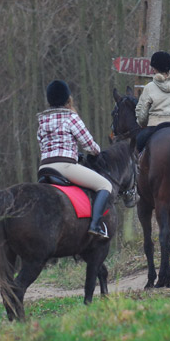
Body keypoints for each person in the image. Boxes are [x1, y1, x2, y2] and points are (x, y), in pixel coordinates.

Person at [38, 79, 112, 239]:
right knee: (105, 185)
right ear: (67, 99)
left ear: (49, 100)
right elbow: (89, 145)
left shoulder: (42, 120)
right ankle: (95, 226)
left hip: (44, 168)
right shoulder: (71, 117)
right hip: (65, 167)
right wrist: (96, 152)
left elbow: (43, 145)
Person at [135, 51, 170, 154]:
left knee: (135, 150)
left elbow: (142, 117)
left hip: (154, 127)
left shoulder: (149, 87)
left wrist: (143, 123)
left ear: (155, 68)